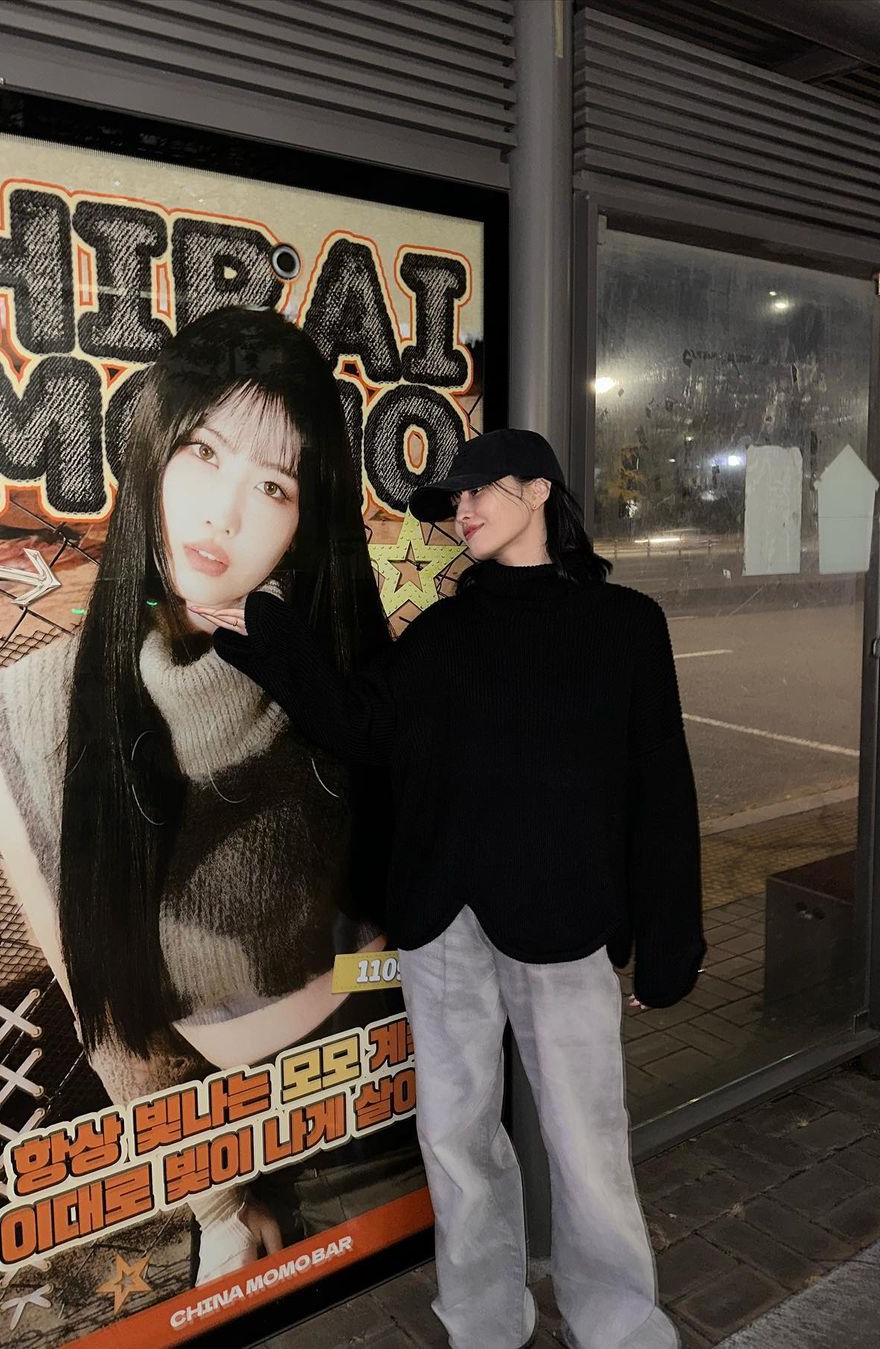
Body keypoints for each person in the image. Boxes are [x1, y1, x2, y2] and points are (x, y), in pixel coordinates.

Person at [197, 427, 705, 1349]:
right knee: (456, 1139)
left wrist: (669, 937)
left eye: (478, 491)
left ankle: (619, 1321)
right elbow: (358, 726)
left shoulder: (625, 624)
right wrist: (267, 634)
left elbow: (660, 788)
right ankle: (483, 1320)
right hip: (444, 922)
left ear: (539, 490)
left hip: (564, 918)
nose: (461, 511)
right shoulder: (442, 631)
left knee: (587, 1140)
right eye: (453, 501)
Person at [0, 306, 419, 1288]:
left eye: (274, 485)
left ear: (304, 523)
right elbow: (104, 1011)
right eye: (203, 453)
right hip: (221, 1126)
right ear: (150, 457)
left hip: (381, 1092)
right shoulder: (31, 714)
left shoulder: (341, 666)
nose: (225, 513)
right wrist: (214, 1193)